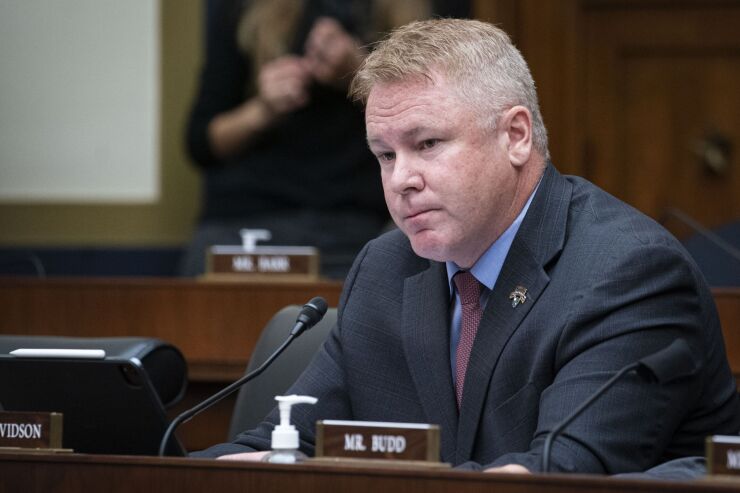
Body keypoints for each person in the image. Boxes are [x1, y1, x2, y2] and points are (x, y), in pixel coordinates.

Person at [190, 19, 740, 475]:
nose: (401, 179)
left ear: (516, 135)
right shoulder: (386, 267)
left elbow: (564, 473)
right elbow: (284, 441)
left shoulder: (627, 272)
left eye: (427, 144)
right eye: (384, 155)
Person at [180, 0, 469, 279]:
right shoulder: (242, 7)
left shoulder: (429, 10)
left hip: (358, 220)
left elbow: (446, 116)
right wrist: (263, 109)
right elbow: (202, 143)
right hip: (249, 217)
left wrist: (360, 72)